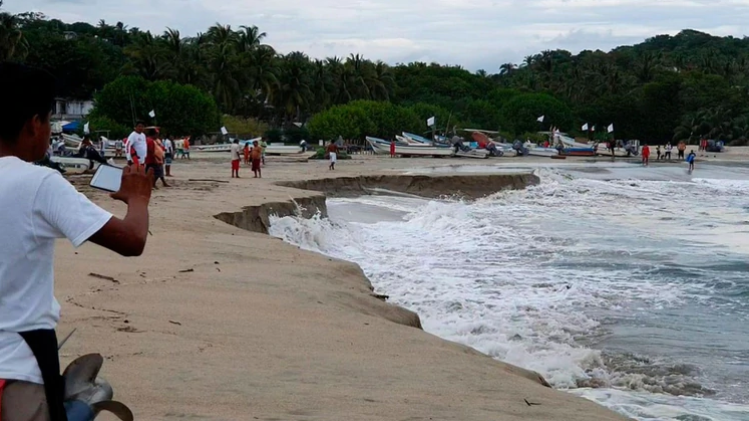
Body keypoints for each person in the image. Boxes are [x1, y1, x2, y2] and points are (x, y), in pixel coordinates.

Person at [0, 62, 153, 421]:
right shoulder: (38, 183)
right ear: (34, 123)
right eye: (49, 121)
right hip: (17, 370)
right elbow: (132, 240)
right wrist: (139, 199)